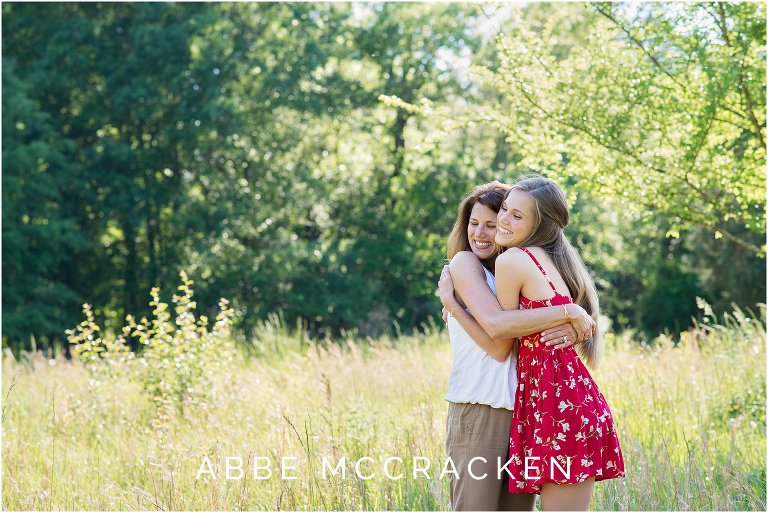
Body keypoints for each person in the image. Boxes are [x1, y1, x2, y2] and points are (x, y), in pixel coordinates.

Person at [443, 175, 625, 511]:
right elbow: (501, 337)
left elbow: (516, 330)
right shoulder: (468, 263)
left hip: (530, 409)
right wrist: (567, 315)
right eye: (473, 223)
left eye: (496, 219)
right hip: (487, 404)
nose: (484, 231)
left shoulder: (520, 261)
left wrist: (572, 321)